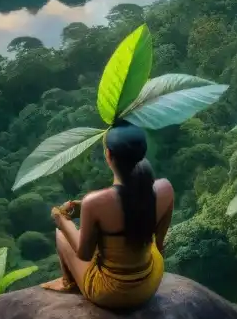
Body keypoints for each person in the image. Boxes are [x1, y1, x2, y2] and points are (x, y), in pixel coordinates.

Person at [42, 120, 174, 309]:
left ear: (108, 155)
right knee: (142, 240)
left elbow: (84, 254)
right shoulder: (165, 188)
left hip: (111, 293)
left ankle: (67, 283)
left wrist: (61, 220)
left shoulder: (94, 202)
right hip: (149, 282)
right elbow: (159, 244)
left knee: (61, 235)